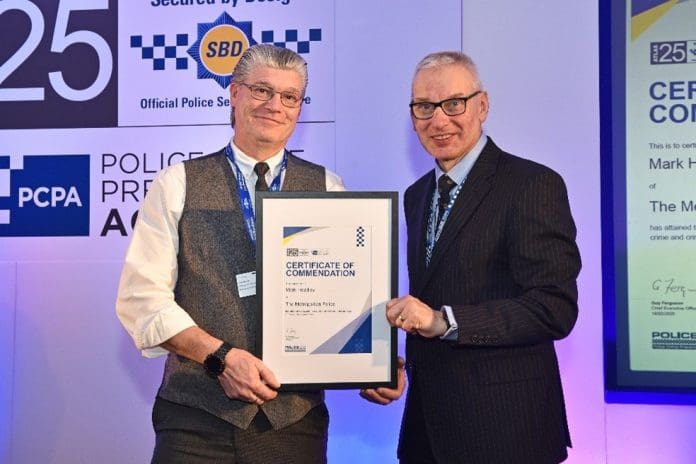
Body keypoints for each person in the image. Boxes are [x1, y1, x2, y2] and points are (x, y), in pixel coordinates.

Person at [116, 44, 345, 463]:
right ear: (235, 93)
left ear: (299, 107)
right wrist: (219, 358)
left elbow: (344, 298)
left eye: (289, 96)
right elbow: (142, 300)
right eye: (261, 90)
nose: (275, 105)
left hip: (293, 424)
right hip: (194, 423)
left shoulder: (328, 187)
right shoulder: (177, 183)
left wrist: (371, 359)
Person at [360, 51, 581, 464]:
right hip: (427, 433)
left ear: (482, 105)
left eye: (453, 104)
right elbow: (430, 301)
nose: (439, 120)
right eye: (424, 107)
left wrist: (445, 321)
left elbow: (554, 308)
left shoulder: (532, 185)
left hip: (507, 435)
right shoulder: (417, 195)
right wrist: (387, 365)